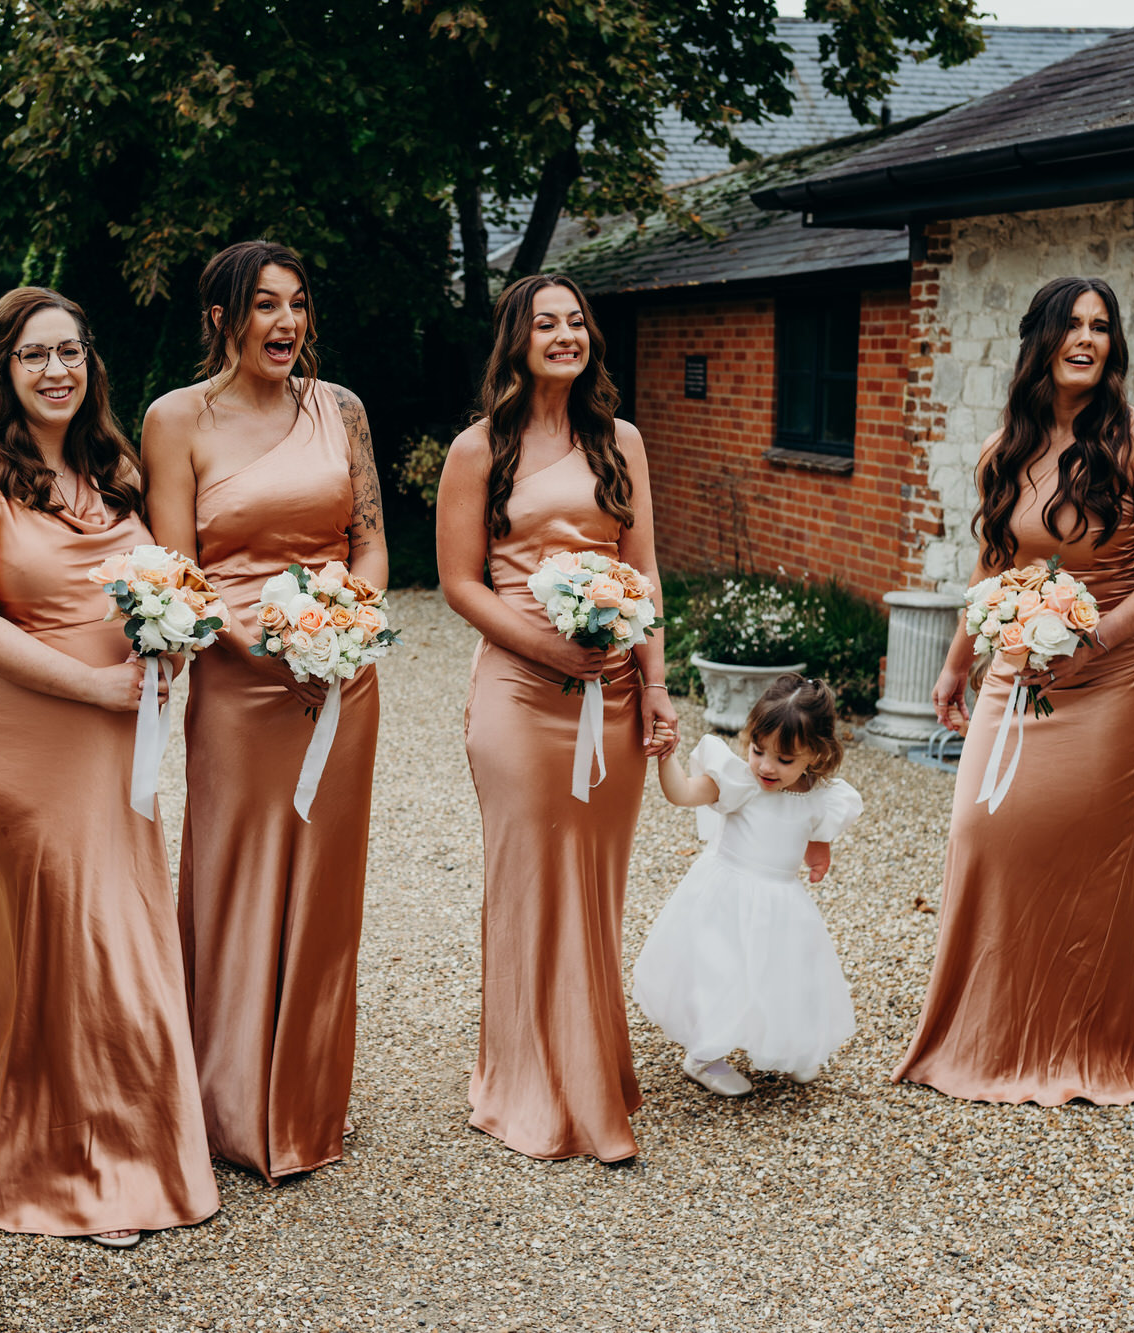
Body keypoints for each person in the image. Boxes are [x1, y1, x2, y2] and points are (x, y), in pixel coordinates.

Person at [0, 287, 218, 1247]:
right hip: (15, 729)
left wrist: (168, 644)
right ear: (1, 367)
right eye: (36, 355)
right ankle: (76, 1170)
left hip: (116, 730)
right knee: (67, 924)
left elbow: (158, 584)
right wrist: (95, 691)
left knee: (114, 920)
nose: (57, 370)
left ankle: (107, 1141)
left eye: (73, 352)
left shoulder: (113, 466)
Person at [895, 275, 1134, 1106]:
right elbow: (996, 562)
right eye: (1071, 323)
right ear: (1038, 338)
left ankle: (1080, 1040)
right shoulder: (1010, 444)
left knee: (1086, 855)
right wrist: (959, 659)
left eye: (1102, 325)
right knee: (982, 828)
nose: (1087, 337)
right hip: (1015, 668)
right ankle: (985, 1029)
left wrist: (1096, 636)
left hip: (1112, 678)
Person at [142, 240, 386, 1184]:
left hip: (341, 679)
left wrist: (343, 631)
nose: (286, 323)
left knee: (325, 880)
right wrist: (264, 646)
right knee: (235, 871)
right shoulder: (176, 419)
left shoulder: (344, 411)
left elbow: (369, 545)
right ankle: (228, 1104)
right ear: (223, 319)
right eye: (264, 306)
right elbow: (179, 573)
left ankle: (308, 1100)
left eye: (298, 304)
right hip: (239, 684)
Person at [435, 273, 680, 1163]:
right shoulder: (477, 450)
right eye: (548, 323)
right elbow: (460, 582)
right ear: (518, 338)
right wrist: (550, 652)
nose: (566, 335)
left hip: (611, 695)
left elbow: (642, 568)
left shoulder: (623, 442)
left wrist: (652, 682)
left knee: (595, 883)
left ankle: (589, 1073)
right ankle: (525, 1081)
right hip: (517, 692)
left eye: (577, 321)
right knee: (532, 874)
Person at [633, 675, 863, 1096]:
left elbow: (817, 834)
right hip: (727, 898)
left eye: (785, 759)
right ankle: (704, 1056)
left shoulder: (820, 796)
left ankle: (788, 1046)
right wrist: (666, 758)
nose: (766, 767)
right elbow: (682, 793)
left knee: (787, 976)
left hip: (782, 903)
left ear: (816, 754)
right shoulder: (739, 782)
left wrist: (818, 855)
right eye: (758, 751)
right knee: (724, 974)